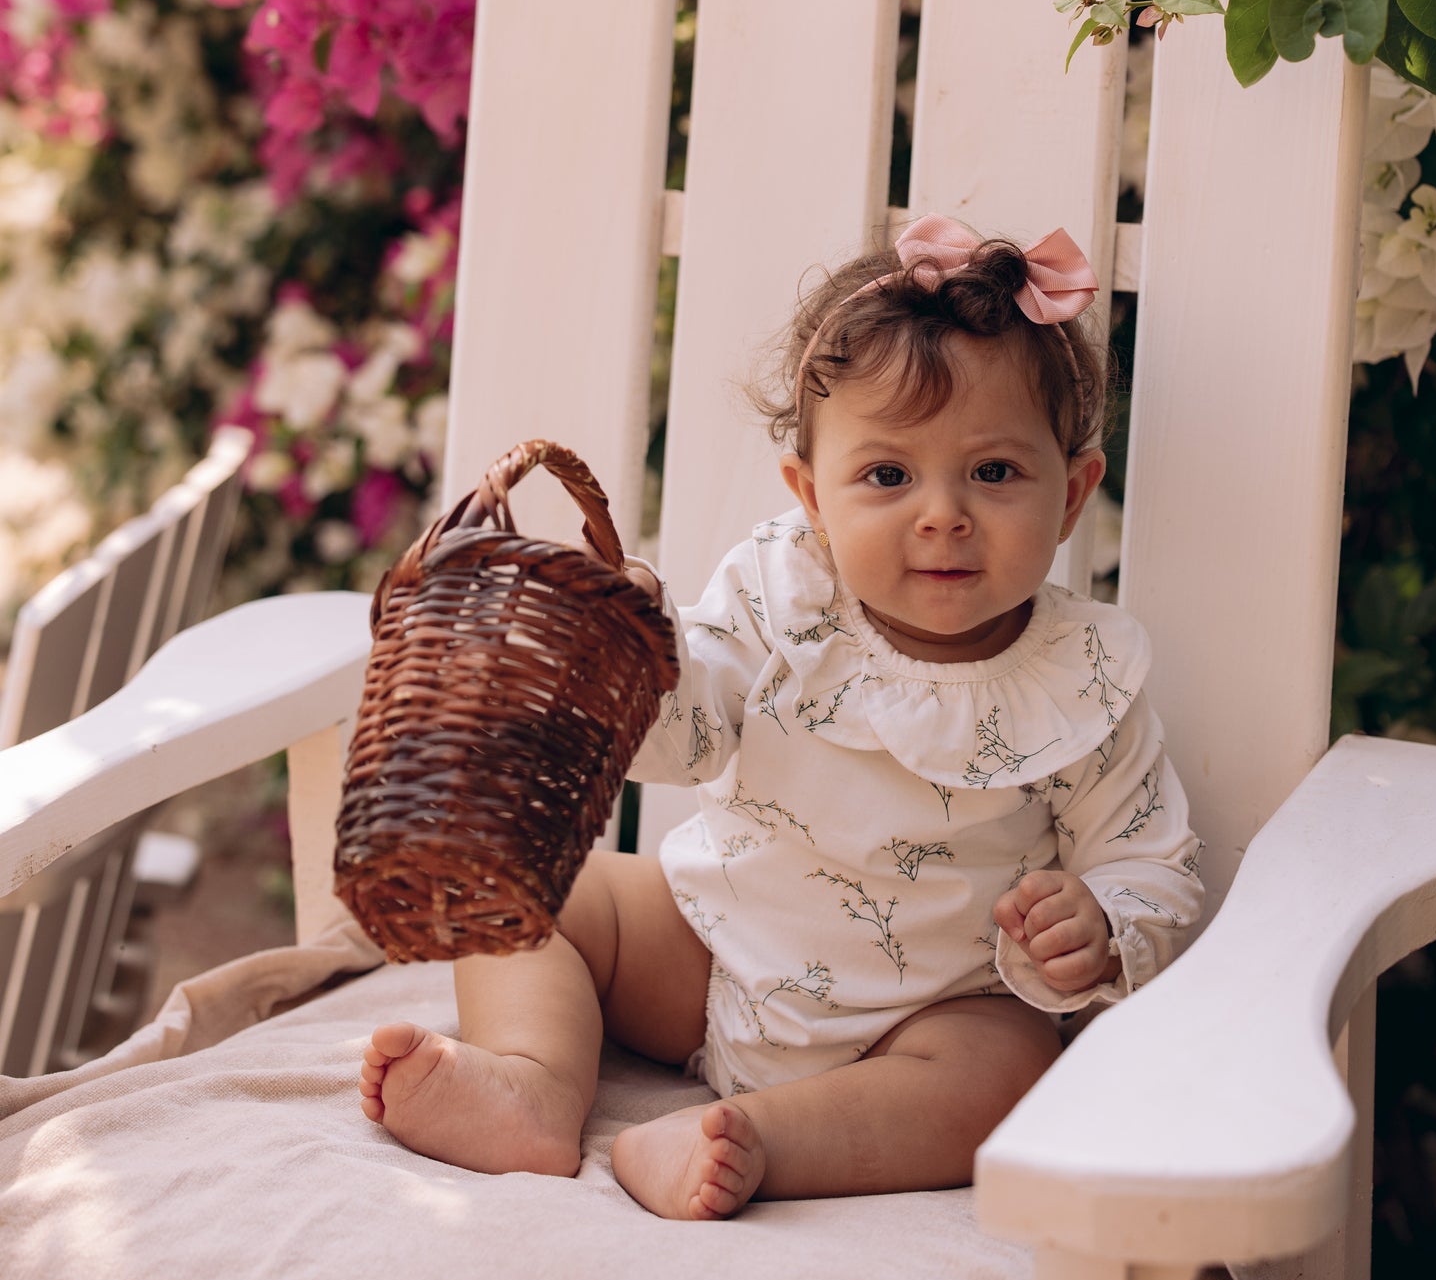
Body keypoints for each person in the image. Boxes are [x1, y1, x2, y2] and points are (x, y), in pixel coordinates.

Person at [357, 214, 1204, 1219]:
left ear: (1069, 494)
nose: (941, 512)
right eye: (887, 474)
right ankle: (530, 1079)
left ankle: (756, 1140)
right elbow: (688, 733)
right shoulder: (778, 593)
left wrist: (1100, 923)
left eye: (993, 471)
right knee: (541, 882)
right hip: (709, 950)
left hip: (928, 1017)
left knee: (1007, 1073)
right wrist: (640, 654)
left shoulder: (1083, 676)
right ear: (810, 494)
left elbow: (1150, 856)